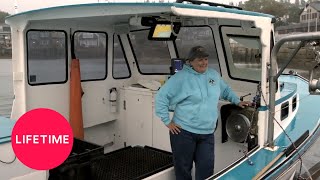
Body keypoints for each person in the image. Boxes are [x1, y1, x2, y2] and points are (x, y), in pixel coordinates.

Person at [155, 46, 251, 180]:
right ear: (191, 61)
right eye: (200, 59)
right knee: (183, 170)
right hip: (183, 132)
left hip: (206, 134)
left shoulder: (213, 75)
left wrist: (236, 101)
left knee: (206, 170)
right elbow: (161, 96)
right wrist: (167, 121)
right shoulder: (181, 77)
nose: (204, 62)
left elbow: (225, 90)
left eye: (205, 59)